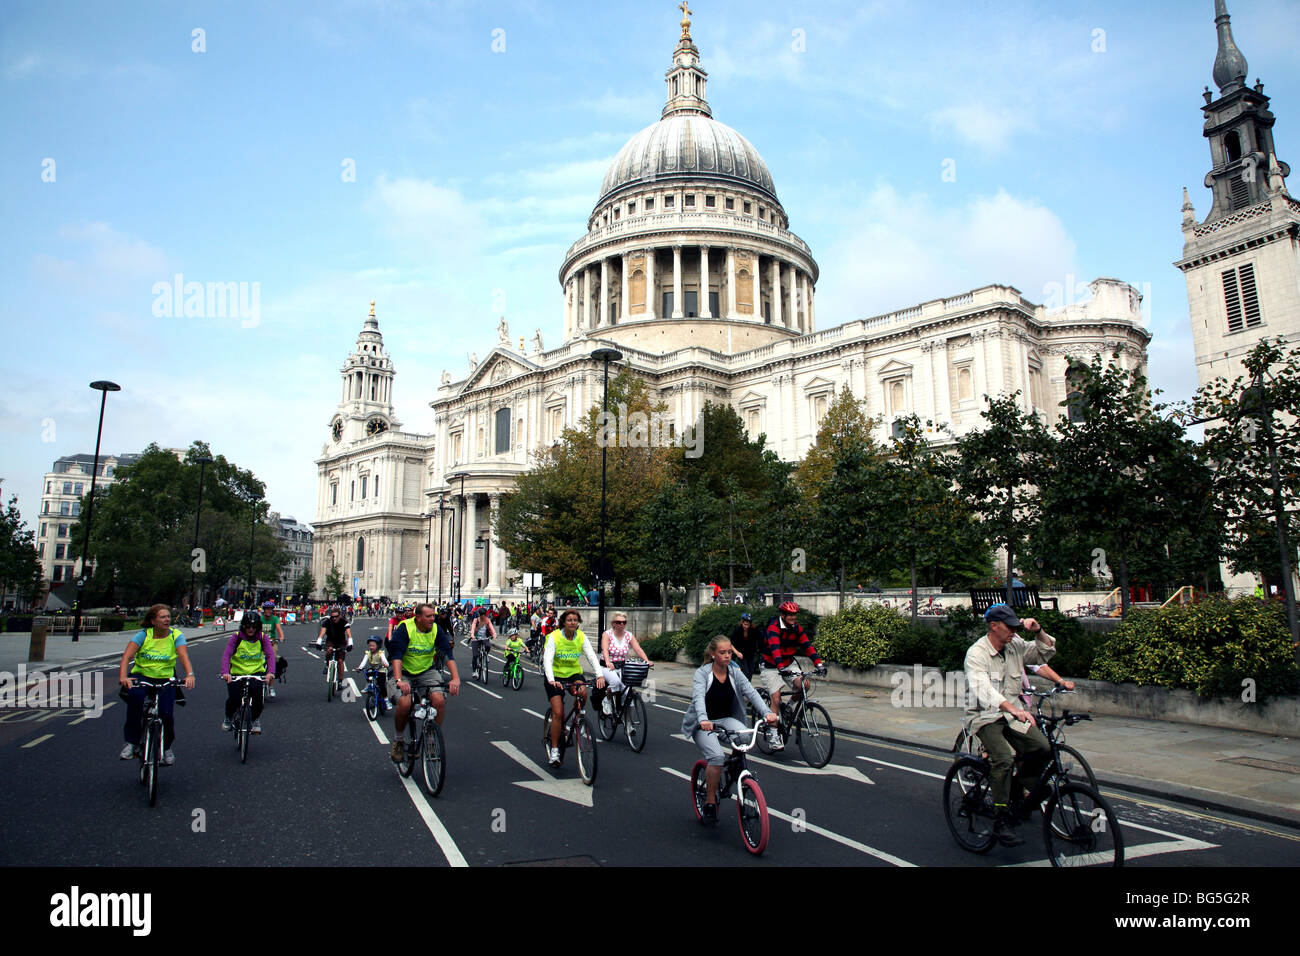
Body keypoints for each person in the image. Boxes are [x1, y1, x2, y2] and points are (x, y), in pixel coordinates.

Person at [963, 603, 1058, 848]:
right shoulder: (977, 653)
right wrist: (1014, 709)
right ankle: (1001, 817)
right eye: (1010, 627)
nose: (1014, 632)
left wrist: (1038, 631)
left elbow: (1043, 654)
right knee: (1003, 759)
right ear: (994, 626)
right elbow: (983, 691)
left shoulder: (1015, 645)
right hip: (986, 716)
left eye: (1017, 627)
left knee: (1042, 748)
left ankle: (1017, 785)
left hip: (1012, 715)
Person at [682, 636, 778, 824]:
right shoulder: (702, 673)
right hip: (705, 723)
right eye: (722, 653)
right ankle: (710, 802)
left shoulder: (734, 671)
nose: (727, 656)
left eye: (729, 652)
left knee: (744, 737)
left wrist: (767, 713)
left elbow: (750, 692)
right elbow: (699, 698)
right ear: (712, 654)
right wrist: (703, 719)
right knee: (716, 757)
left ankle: (737, 768)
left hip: (726, 720)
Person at [118, 604, 197, 765]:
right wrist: (123, 677)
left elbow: (183, 656)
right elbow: (127, 657)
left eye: (168, 616)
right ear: (153, 621)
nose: (167, 619)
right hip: (142, 676)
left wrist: (189, 674)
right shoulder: (143, 635)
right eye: (162, 617)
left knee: (166, 714)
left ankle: (166, 747)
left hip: (165, 678)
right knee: (136, 701)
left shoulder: (176, 635)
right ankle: (131, 743)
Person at [390, 602, 461, 763]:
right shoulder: (405, 628)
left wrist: (455, 678)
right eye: (428, 616)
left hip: (426, 671)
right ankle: (398, 740)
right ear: (418, 617)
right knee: (405, 702)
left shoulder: (436, 629)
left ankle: (430, 739)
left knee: (439, 700)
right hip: (404, 671)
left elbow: (447, 654)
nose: (432, 619)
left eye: (433, 616)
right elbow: (396, 656)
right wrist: (399, 680)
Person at [542, 609, 605, 767]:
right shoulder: (554, 637)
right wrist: (551, 680)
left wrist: (599, 675)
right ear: (563, 622)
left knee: (583, 691)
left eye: (575, 620)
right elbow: (547, 659)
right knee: (558, 713)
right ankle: (555, 750)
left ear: (578, 622)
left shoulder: (581, 637)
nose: (572, 623)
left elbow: (591, 656)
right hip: (555, 676)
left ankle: (579, 715)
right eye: (569, 620)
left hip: (573, 674)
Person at [760, 601, 827, 749]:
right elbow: (775, 648)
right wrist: (780, 667)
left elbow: (807, 646)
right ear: (783, 615)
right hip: (771, 665)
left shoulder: (796, 628)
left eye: (794, 614)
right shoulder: (773, 628)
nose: (793, 617)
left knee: (804, 684)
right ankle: (773, 735)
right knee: (776, 699)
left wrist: (819, 664)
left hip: (788, 663)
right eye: (790, 614)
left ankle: (789, 707)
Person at [220, 611, 275, 733]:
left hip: (256, 673)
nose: (251, 629)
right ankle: (228, 717)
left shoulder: (262, 637)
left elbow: (270, 655)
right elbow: (226, 655)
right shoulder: (237, 637)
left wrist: (270, 672)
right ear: (243, 626)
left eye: (254, 627)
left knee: (258, 699)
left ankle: (255, 719)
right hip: (237, 674)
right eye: (248, 626)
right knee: (234, 698)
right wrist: (225, 672)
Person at [597, 613, 653, 714]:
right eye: (618, 622)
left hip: (622, 667)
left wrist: (646, 660)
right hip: (607, 667)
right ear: (613, 623)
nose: (621, 624)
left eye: (624, 622)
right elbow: (604, 649)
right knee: (616, 682)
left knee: (627, 693)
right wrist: (608, 661)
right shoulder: (607, 634)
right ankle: (607, 699)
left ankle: (628, 724)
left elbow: (637, 649)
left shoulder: (628, 635)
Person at [315, 605, 353, 688]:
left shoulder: (344, 622)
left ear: (339, 615)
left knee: (340, 661)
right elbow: (322, 633)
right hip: (331, 640)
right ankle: (327, 664)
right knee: (329, 650)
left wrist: (350, 644)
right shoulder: (327, 622)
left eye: (336, 616)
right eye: (332, 617)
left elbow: (348, 634)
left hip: (341, 642)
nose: (334, 618)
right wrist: (318, 642)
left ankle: (340, 681)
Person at [355, 637, 391, 713]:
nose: (371, 647)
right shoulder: (368, 653)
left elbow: (385, 662)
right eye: (370, 645)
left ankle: (386, 700)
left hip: (381, 669)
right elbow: (363, 662)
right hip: (373, 669)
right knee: (368, 673)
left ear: (378, 646)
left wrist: (386, 665)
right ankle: (368, 685)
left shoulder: (380, 653)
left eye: (373, 646)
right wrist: (360, 668)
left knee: (381, 685)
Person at [259, 600, 285, 698]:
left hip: (271, 642)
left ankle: (271, 687)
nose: (268, 611)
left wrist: (281, 637)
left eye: (270, 609)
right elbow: (256, 629)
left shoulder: (274, 619)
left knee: (272, 661)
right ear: (264, 610)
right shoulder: (260, 619)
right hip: (260, 643)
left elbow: (279, 629)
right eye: (266, 609)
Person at [729, 612, 762, 680]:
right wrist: (737, 653)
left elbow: (760, 640)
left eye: (748, 625)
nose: (746, 627)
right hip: (741, 654)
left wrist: (759, 650)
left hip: (751, 654)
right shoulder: (737, 630)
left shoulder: (754, 630)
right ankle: (744, 688)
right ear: (742, 623)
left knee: (750, 673)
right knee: (745, 672)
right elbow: (730, 643)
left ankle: (747, 688)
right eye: (745, 624)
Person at [469, 606, 497, 675]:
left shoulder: (487, 620)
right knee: (475, 655)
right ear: (479, 614)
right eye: (482, 615)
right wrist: (472, 635)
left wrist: (494, 634)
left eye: (484, 614)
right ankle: (474, 671)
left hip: (484, 637)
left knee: (488, 646)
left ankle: (486, 655)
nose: (483, 616)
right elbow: (473, 627)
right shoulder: (476, 620)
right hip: (476, 638)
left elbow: (491, 627)